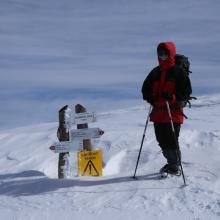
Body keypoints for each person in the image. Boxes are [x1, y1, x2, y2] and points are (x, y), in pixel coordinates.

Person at [141, 42, 192, 175]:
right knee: (161, 139)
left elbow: (186, 91)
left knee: (171, 139)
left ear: (170, 54)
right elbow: (145, 88)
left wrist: (173, 97)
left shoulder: (178, 72)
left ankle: (175, 166)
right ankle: (172, 163)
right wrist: (150, 98)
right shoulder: (155, 72)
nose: (162, 56)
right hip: (158, 112)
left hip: (173, 111)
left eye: (165, 53)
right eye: (160, 54)